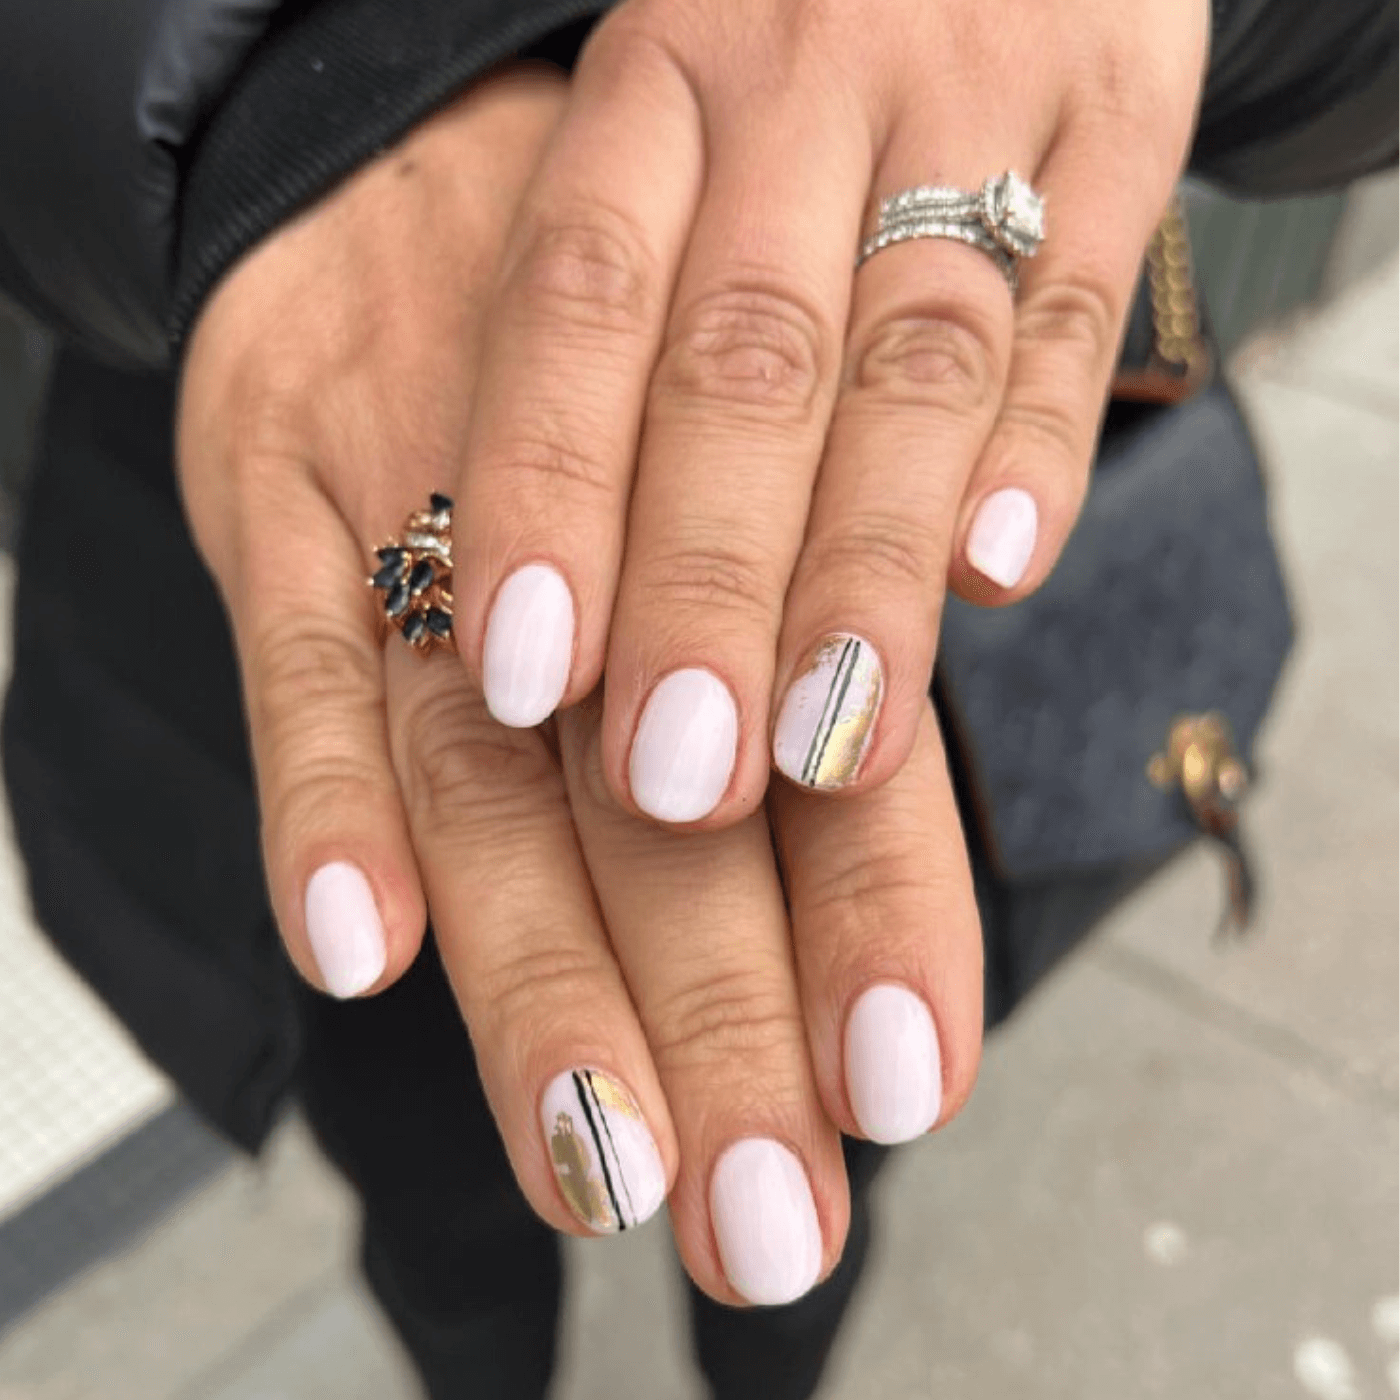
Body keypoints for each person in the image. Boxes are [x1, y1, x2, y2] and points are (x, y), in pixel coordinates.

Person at [0, 1, 1393, 1396]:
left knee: (818, 1099)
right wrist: (286, 119)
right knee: (439, 1171)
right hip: (315, 461)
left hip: (897, 466)